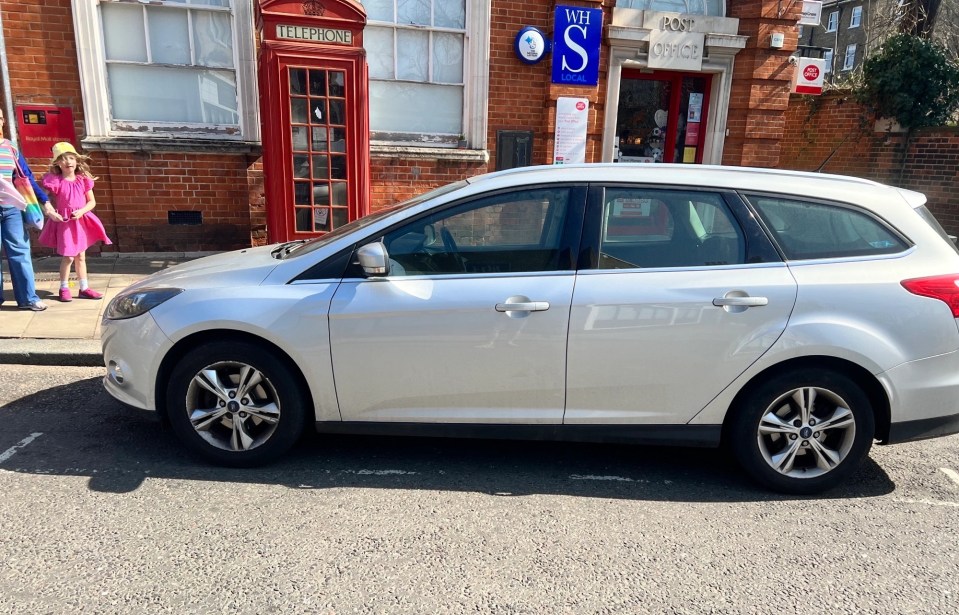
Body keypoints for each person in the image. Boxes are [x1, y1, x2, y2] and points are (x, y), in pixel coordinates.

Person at [39, 142, 112, 302]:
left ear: (77, 160)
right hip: (65, 222)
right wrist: (51, 212)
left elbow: (92, 202)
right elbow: (43, 199)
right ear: (57, 163)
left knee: (81, 257)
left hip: (80, 221)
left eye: (71, 158)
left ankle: (84, 288)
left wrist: (82, 211)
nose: (68, 162)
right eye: (63, 159)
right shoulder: (55, 181)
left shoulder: (83, 180)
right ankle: (64, 287)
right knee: (69, 257)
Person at [0, 110, 49, 311]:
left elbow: (25, 176)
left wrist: (44, 200)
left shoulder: (10, 148)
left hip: (11, 208)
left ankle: (28, 298)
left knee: (19, 252)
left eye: (0, 117)